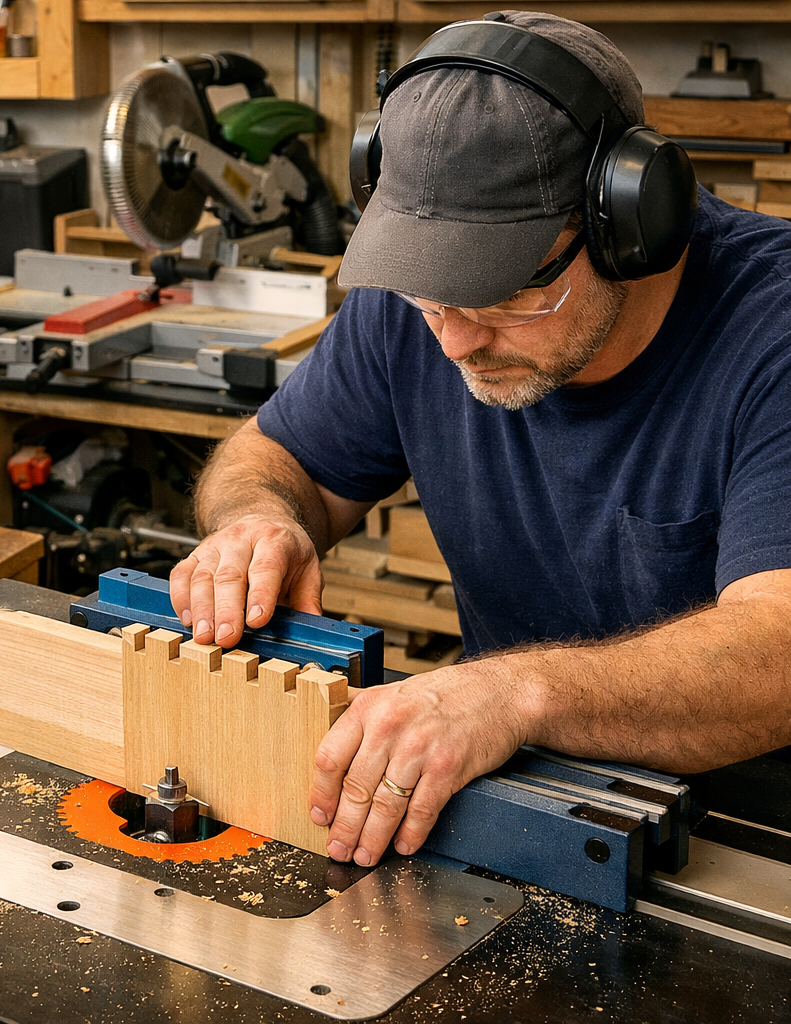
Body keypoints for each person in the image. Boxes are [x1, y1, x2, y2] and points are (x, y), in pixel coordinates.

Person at [169, 10, 791, 870]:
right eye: (433, 301)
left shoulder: (773, 331)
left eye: (504, 296)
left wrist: (515, 691)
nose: (456, 340)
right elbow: (275, 461)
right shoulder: (420, 303)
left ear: (627, 218)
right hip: (520, 809)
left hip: (751, 849)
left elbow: (780, 649)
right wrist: (258, 521)